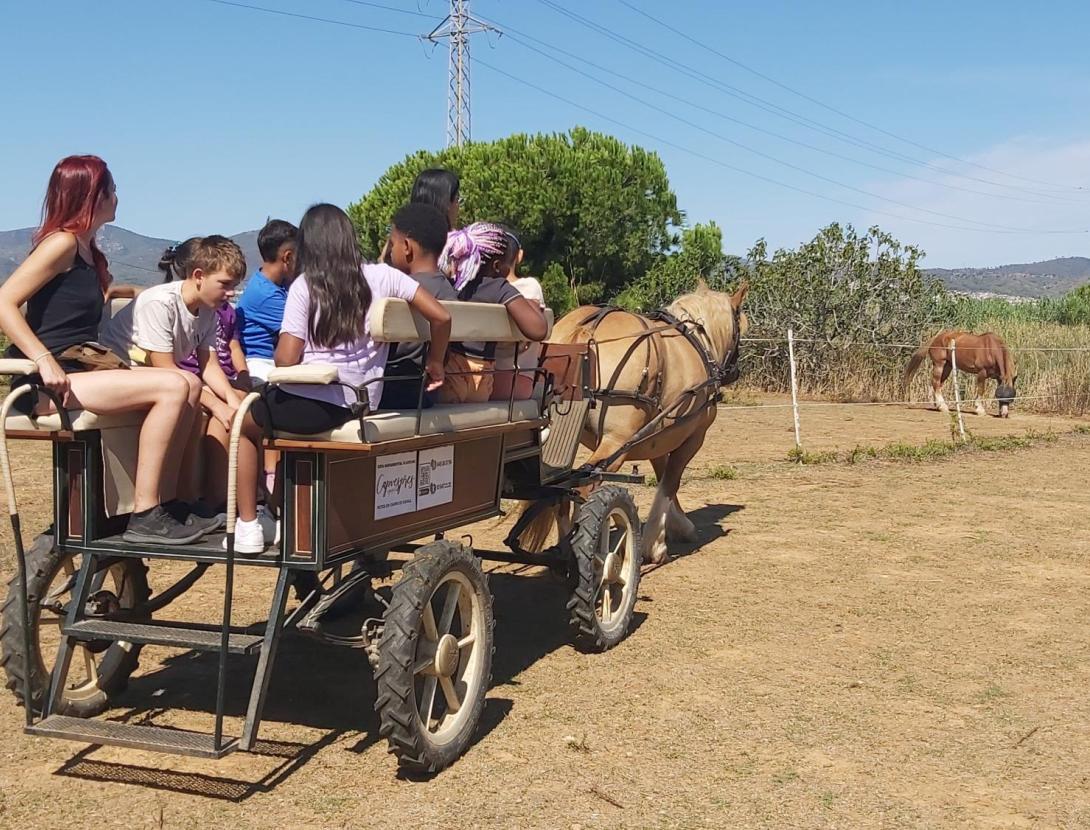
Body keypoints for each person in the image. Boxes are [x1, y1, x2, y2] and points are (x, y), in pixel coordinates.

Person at [0, 155, 209, 545]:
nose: (117, 196)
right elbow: (4, 302)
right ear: (91, 195)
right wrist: (43, 359)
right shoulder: (60, 243)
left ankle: (170, 502)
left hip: (81, 368)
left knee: (189, 383)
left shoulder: (86, 252)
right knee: (172, 387)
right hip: (49, 382)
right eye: (110, 189)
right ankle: (146, 514)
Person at [250, 200, 451, 460]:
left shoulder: (305, 285)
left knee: (242, 421)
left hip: (314, 405)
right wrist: (436, 361)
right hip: (363, 401)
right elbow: (442, 317)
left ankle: (252, 502)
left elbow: (286, 360)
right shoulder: (385, 276)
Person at [99, 236, 261, 545]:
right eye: (224, 284)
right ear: (198, 276)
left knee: (198, 400)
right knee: (189, 392)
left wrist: (231, 402)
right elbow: (167, 371)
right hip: (119, 375)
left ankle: (180, 502)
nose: (229, 294)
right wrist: (217, 406)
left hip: (159, 380)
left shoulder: (208, 310)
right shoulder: (161, 303)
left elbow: (209, 366)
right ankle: (160, 504)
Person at [436, 222, 548, 404]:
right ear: (497, 266)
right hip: (481, 381)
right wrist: (530, 305)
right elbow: (538, 329)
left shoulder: (450, 285)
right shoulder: (498, 287)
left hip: (449, 377)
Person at [379, 202, 457, 409]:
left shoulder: (402, 290)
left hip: (393, 391)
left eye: (392, 244)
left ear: (406, 247)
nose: (391, 251)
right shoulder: (449, 291)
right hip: (427, 393)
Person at [236, 219, 297, 382]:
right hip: (259, 362)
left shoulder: (279, 284)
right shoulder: (266, 294)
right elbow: (302, 330)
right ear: (288, 257)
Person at [492, 229, 547, 401]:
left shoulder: (480, 289)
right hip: (517, 383)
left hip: (478, 378)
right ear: (519, 255)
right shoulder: (530, 287)